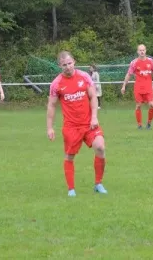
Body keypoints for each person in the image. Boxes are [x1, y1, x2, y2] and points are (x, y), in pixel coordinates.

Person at [47, 51, 107, 196]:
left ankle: (98, 184)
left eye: (69, 63)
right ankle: (71, 189)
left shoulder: (84, 77)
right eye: (64, 65)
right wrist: (49, 127)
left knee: (100, 147)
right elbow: (52, 106)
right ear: (60, 66)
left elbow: (93, 96)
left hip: (89, 124)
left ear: (74, 61)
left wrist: (94, 117)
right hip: (71, 127)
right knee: (70, 156)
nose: (68, 67)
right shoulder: (56, 84)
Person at [121, 44, 153, 130]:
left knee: (152, 105)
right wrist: (124, 86)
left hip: (148, 87)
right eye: (140, 50)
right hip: (138, 88)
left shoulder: (150, 61)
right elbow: (129, 74)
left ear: (145, 51)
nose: (142, 52)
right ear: (137, 52)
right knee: (138, 105)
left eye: (143, 50)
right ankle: (139, 125)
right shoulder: (134, 63)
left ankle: (149, 123)